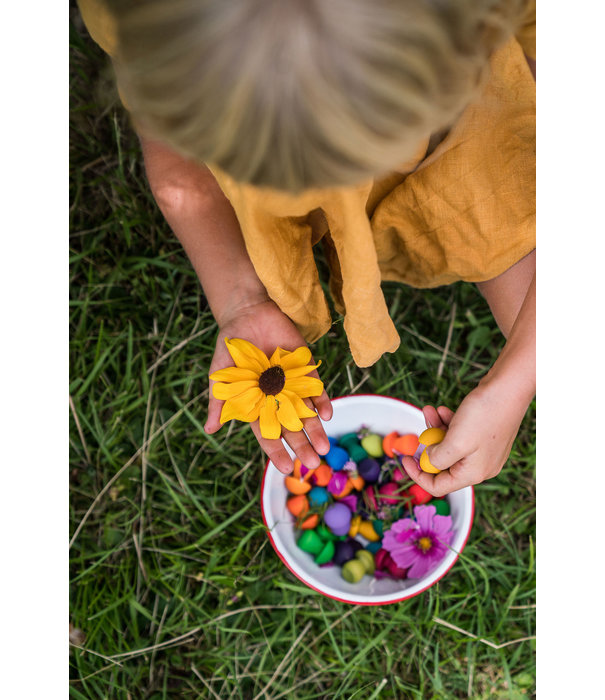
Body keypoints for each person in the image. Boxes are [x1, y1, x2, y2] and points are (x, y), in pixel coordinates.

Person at [76, 0, 536, 495]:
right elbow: (181, 182)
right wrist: (240, 296)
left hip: (468, 143)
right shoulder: (162, 37)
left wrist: (513, 384)